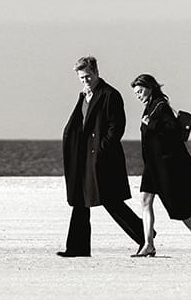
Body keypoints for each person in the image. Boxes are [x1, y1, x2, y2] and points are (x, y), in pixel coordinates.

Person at [59, 56, 146, 257]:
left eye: (88, 77)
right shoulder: (84, 96)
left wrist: (101, 149)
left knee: (110, 200)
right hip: (84, 158)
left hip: (102, 158)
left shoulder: (110, 95)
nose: (85, 81)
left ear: (97, 72)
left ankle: (144, 235)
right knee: (81, 200)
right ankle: (77, 248)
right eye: (82, 78)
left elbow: (117, 127)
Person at [130, 74, 191, 258]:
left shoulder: (160, 106)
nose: (138, 95)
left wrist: (152, 123)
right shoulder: (149, 106)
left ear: (150, 87)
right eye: (136, 93)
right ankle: (148, 244)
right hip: (152, 165)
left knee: (178, 207)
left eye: (140, 91)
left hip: (164, 166)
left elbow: (172, 131)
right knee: (145, 201)